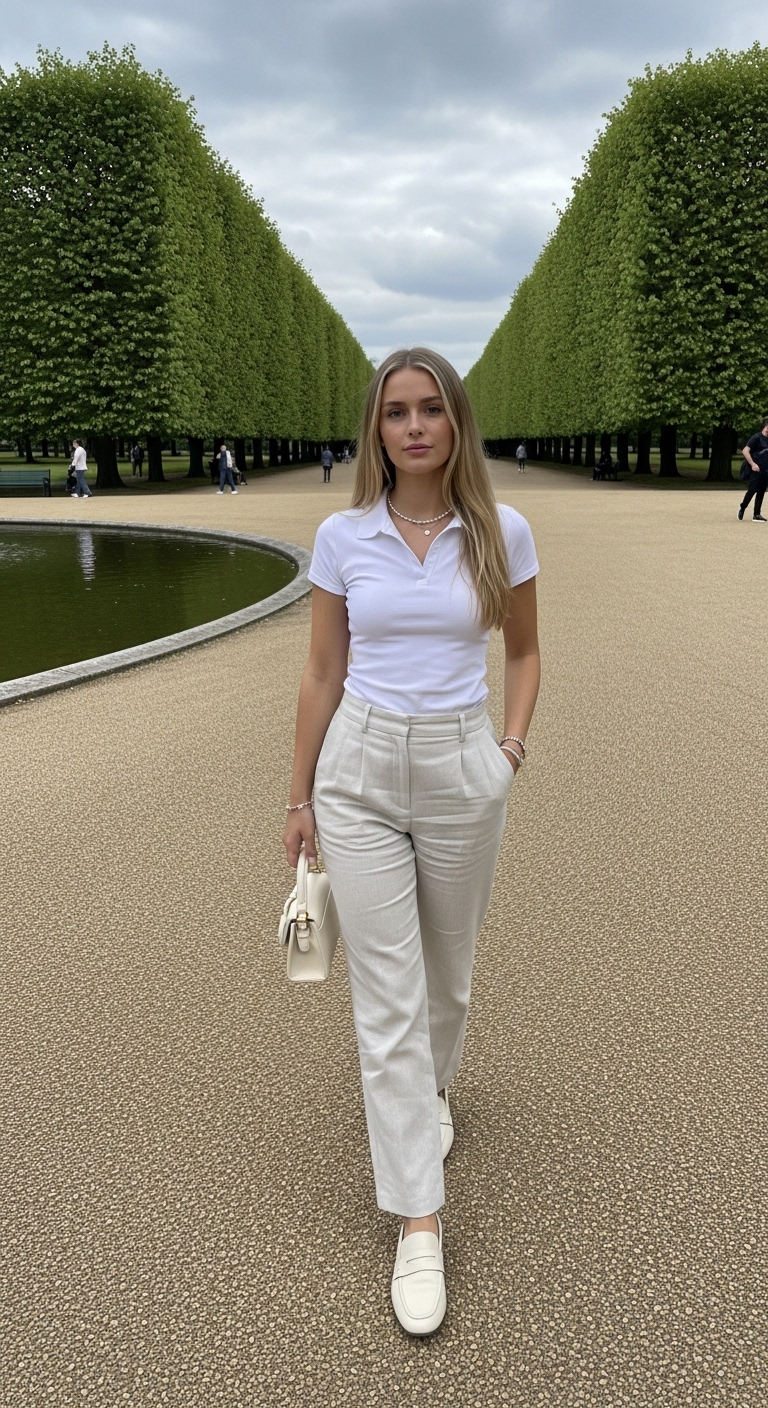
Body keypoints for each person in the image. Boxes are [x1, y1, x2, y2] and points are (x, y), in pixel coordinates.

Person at [283, 346, 540, 1336]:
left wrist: (508, 750)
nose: (416, 426)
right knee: (386, 995)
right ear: (377, 429)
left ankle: (433, 1090)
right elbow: (318, 671)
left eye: (432, 409)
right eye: (398, 412)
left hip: (461, 767)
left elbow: (523, 649)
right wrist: (297, 795)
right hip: (358, 772)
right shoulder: (343, 535)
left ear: (456, 422)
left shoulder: (501, 531)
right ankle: (419, 1221)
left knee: (450, 967)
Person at [738, 419, 768, 521]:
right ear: (764, 427)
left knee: (761, 491)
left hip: (766, 470)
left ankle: (757, 514)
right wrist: (752, 464)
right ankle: (743, 507)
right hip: (756, 469)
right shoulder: (757, 437)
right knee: (752, 490)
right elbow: (745, 450)